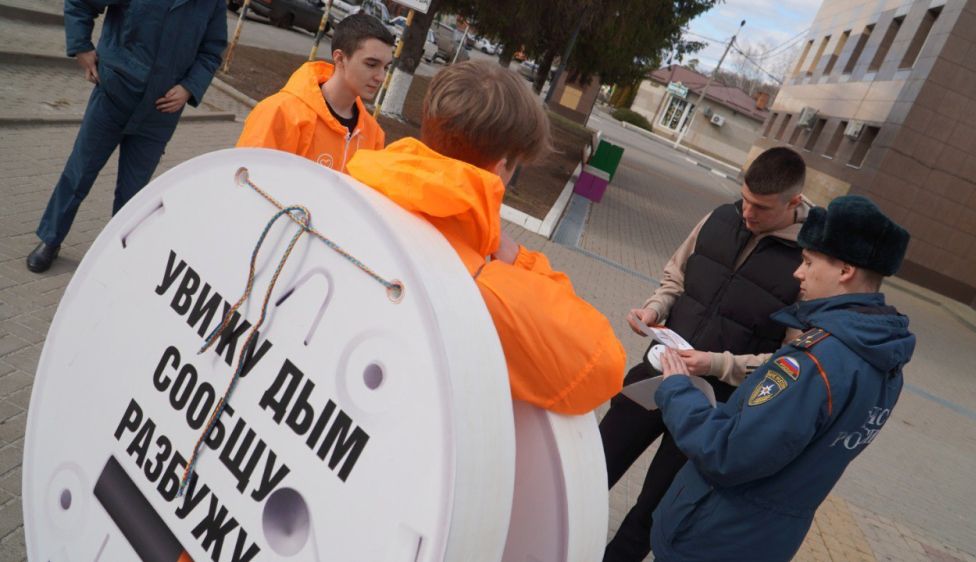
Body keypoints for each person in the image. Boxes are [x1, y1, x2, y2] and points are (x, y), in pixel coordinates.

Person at [346, 60, 625, 414]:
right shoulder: (484, 288)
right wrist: (521, 260)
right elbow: (603, 365)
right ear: (501, 166)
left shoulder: (349, 188)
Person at [651, 195, 914, 561]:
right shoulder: (885, 359)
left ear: (845, 271)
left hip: (717, 535)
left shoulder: (815, 361)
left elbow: (727, 453)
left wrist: (677, 389)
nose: (798, 273)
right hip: (766, 539)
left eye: (808, 262)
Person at [600, 147, 809, 561]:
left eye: (761, 208)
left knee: (652, 512)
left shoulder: (808, 264)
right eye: (745, 199)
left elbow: (789, 359)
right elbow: (675, 275)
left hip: (712, 409)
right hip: (655, 374)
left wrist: (717, 364)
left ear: (794, 204)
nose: (747, 212)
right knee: (590, 469)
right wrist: (655, 309)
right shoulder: (719, 217)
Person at [26, 0, 228, 274]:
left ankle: (115, 256)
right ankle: (51, 238)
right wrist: (82, 47)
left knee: (133, 194)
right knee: (79, 172)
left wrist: (189, 88)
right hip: (114, 95)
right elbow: (80, 3)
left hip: (159, 114)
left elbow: (212, 51)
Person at [236, 13, 393, 172]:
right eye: (371, 64)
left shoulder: (374, 135)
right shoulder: (280, 112)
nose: (381, 77)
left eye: (386, 67)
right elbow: (248, 182)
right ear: (339, 59)